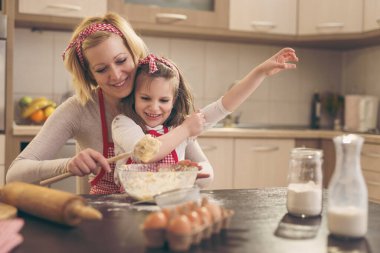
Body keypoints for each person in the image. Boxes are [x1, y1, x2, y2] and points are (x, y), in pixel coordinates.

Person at [6, 12, 205, 194]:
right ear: (90, 75)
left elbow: (204, 172)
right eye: (101, 69)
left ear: (135, 52)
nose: (116, 75)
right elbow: (15, 173)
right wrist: (67, 165)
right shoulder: (79, 109)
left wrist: (182, 175)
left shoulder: (160, 101)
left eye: (121, 60)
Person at [112, 49, 298, 189]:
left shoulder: (179, 126)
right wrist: (186, 130)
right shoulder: (123, 124)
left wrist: (260, 72)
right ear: (133, 97)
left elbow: (223, 106)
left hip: (172, 210)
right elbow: (146, 155)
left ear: (174, 100)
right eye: (145, 98)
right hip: (128, 211)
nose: (154, 107)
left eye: (164, 100)